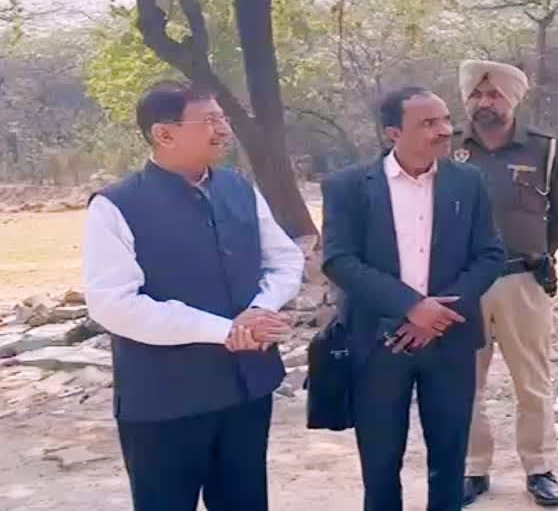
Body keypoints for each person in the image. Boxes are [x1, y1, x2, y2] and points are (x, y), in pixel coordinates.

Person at [83, 81, 303, 511]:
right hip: (165, 401)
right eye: (210, 121)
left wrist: (262, 308)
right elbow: (113, 303)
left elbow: (284, 260)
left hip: (246, 389)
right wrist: (225, 330)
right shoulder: (116, 205)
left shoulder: (238, 188)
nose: (224, 129)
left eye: (223, 119)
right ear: (164, 134)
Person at [321, 86, 506, 511]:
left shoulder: (468, 181)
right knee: (381, 461)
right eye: (429, 123)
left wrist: (439, 314)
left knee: (449, 457)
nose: (445, 131)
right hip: (380, 339)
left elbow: (490, 254)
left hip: (452, 338)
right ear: (392, 133)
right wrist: (410, 306)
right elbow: (339, 260)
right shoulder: (348, 186)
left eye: (444, 120)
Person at [454, 61, 558, 507]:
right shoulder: (446, 147)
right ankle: (471, 468)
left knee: (533, 382)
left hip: (522, 279)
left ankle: (539, 468)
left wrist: (541, 253)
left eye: (495, 95)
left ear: (513, 99)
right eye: (477, 95)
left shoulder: (545, 151)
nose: (485, 103)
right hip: (461, 284)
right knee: (464, 382)